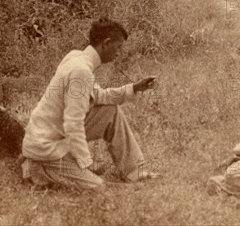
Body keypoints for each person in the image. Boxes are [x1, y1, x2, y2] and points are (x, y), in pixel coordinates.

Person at [20, 18, 159, 190]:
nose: (119, 53)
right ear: (106, 43)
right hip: (45, 147)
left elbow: (99, 96)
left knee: (110, 110)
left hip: (55, 136)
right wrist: (85, 163)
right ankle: (37, 169)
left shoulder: (77, 57)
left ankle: (134, 171)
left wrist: (134, 88)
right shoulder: (81, 70)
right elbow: (73, 123)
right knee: (97, 186)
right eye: (118, 47)